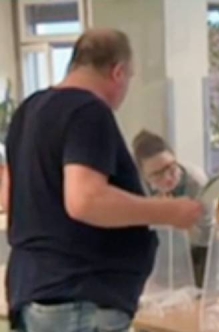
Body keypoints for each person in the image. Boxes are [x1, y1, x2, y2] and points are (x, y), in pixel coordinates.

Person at [0, 29, 203, 332]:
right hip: (80, 296)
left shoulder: (30, 110)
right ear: (118, 72)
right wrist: (169, 212)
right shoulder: (88, 111)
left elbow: (9, 196)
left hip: (34, 289)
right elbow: (86, 200)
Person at [132, 129, 213, 285]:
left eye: (170, 167)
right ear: (143, 176)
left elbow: (205, 237)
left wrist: (183, 219)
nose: (168, 177)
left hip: (193, 258)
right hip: (149, 262)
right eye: (157, 174)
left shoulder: (195, 181)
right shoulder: (136, 187)